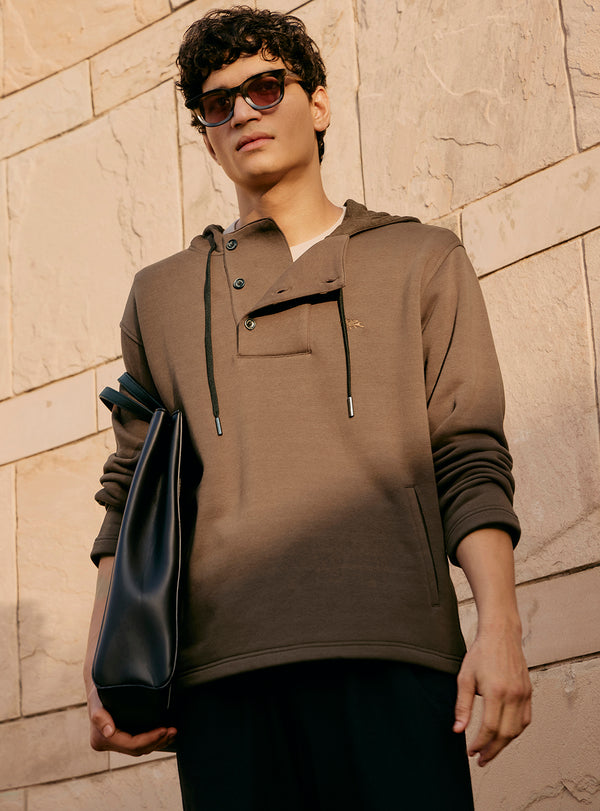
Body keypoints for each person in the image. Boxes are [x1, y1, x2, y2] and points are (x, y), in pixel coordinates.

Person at [84, 6, 532, 809]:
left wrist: (500, 626)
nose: (241, 113)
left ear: (317, 104)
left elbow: (468, 455)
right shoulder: (160, 296)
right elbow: (130, 491)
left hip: (399, 660)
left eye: (264, 87)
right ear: (206, 136)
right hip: (222, 685)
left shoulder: (421, 258)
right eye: (217, 104)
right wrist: (102, 662)